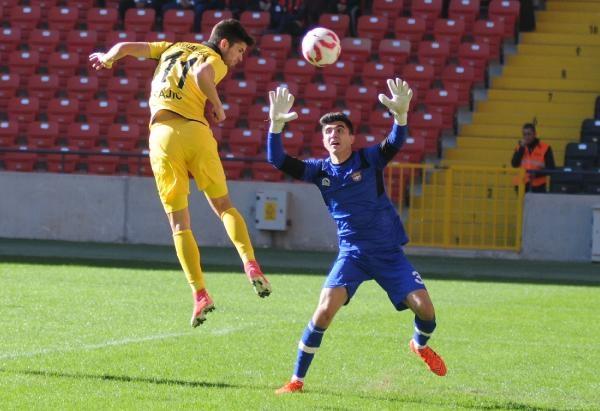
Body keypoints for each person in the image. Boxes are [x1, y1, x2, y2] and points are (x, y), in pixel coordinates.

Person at [265, 79, 447, 394]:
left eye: (339, 129)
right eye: (327, 131)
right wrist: (275, 125)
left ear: (351, 136)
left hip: (388, 254)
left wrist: (401, 117)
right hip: (352, 255)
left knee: (426, 310)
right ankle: (296, 380)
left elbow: (394, 142)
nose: (333, 134)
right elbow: (278, 161)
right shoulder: (319, 171)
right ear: (323, 140)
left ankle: (419, 345)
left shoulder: (368, 160)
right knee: (323, 311)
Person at [88, 19, 272, 328]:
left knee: (179, 224)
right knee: (224, 206)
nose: (240, 59)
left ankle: (200, 293)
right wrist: (217, 104)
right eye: (239, 51)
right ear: (224, 43)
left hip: (162, 135)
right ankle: (250, 263)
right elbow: (202, 75)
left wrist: (108, 57)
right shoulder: (213, 58)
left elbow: (127, 47)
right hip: (196, 132)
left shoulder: (170, 47)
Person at [511, 123, 555, 193]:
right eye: (524, 134)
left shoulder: (545, 148)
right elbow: (514, 164)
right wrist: (521, 148)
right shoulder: (519, 147)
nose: (526, 137)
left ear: (535, 134)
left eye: (529, 134)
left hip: (538, 185)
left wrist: (536, 174)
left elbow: (551, 168)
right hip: (521, 184)